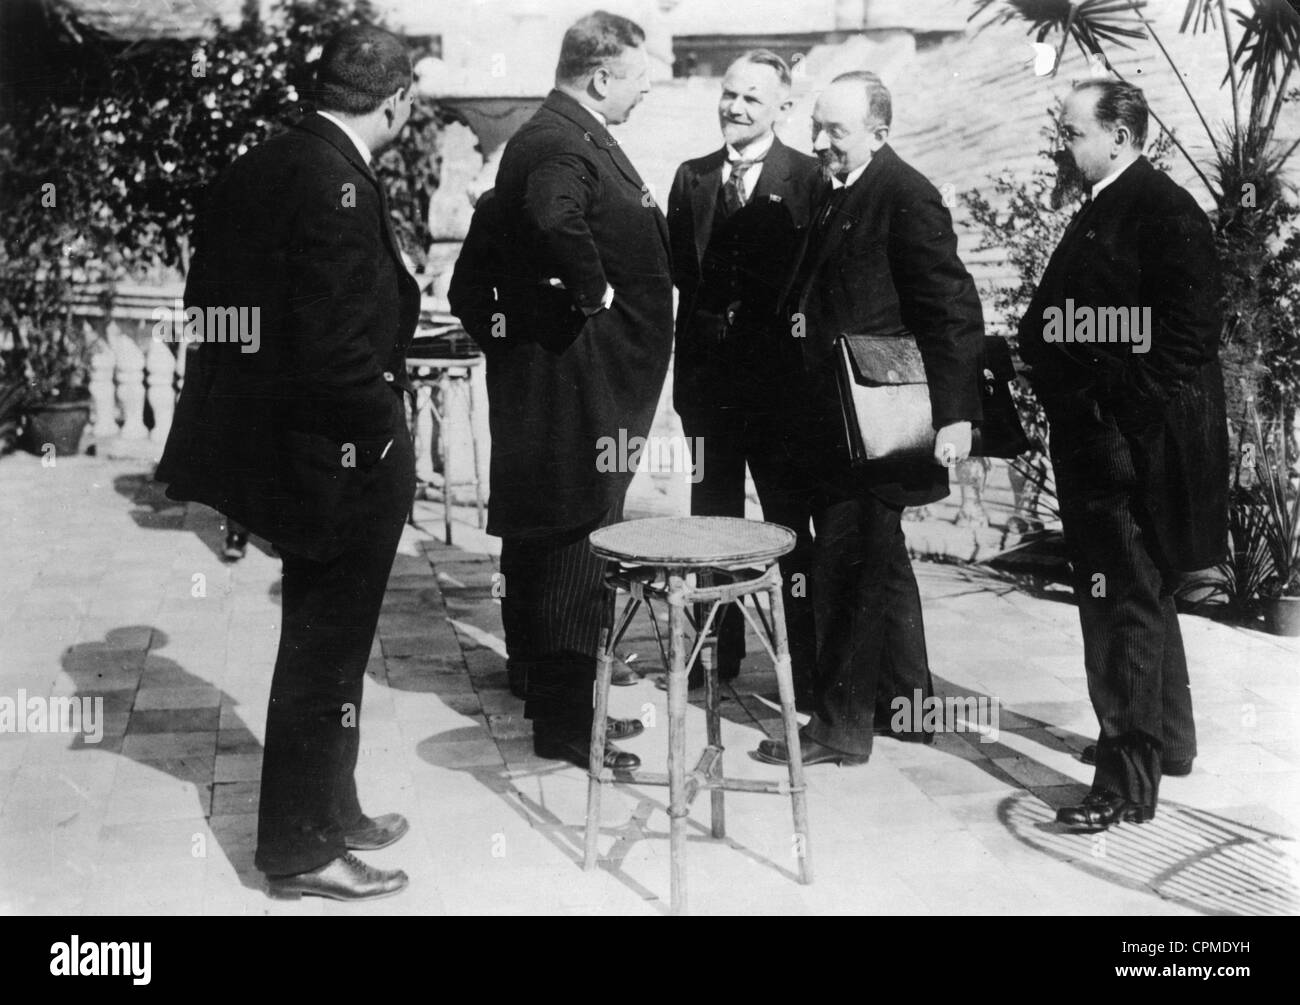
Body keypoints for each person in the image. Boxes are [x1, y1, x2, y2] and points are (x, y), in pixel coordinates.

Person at [157, 25, 419, 900]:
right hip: (340, 459)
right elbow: (335, 350)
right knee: (321, 654)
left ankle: (332, 808)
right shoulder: (337, 181)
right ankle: (302, 851)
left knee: (326, 647)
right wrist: (378, 432)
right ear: (396, 101)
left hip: (286, 453)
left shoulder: (258, 164)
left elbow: (214, 313)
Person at [449, 10, 673, 771]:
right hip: (583, 386)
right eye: (639, 81)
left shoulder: (547, 135)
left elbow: (472, 283)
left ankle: (542, 687)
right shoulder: (560, 141)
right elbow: (555, 216)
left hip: (560, 380)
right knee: (579, 537)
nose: (643, 95)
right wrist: (593, 296)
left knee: (539, 531)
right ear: (601, 75)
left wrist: (517, 345)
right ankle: (569, 722)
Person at [753, 71, 984, 767]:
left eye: (836, 131)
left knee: (849, 568)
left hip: (879, 419)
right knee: (880, 566)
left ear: (879, 132)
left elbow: (951, 309)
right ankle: (907, 704)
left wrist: (957, 417)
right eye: (817, 127)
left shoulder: (906, 194)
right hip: (837, 418)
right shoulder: (840, 188)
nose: (819, 142)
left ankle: (840, 727)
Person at [1018, 80, 1227, 830]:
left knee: (1119, 608)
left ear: (1120, 134)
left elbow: (1189, 335)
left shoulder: (1163, 211)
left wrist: (1116, 412)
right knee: (1142, 595)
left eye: (1073, 132)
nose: (1063, 144)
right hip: (1103, 439)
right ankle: (1168, 742)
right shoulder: (1110, 201)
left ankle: (1124, 784)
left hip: (1126, 449)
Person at [667, 49, 820, 697]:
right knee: (711, 521)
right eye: (729, 94)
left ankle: (807, 668)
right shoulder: (691, 178)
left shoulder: (810, 179)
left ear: (782, 107)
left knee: (789, 522)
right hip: (708, 392)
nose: (735, 107)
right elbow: (682, 274)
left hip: (780, 394)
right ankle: (714, 653)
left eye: (752, 99)